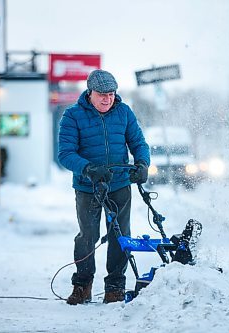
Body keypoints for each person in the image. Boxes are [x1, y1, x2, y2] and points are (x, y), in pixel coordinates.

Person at [58, 69, 150, 305]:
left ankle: (115, 287)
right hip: (88, 187)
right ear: (90, 92)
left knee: (120, 234)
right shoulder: (73, 116)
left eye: (111, 94)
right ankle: (82, 286)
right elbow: (66, 154)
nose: (107, 99)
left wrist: (141, 163)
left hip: (119, 184)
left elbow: (138, 142)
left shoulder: (124, 113)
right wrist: (88, 168)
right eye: (102, 94)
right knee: (87, 236)